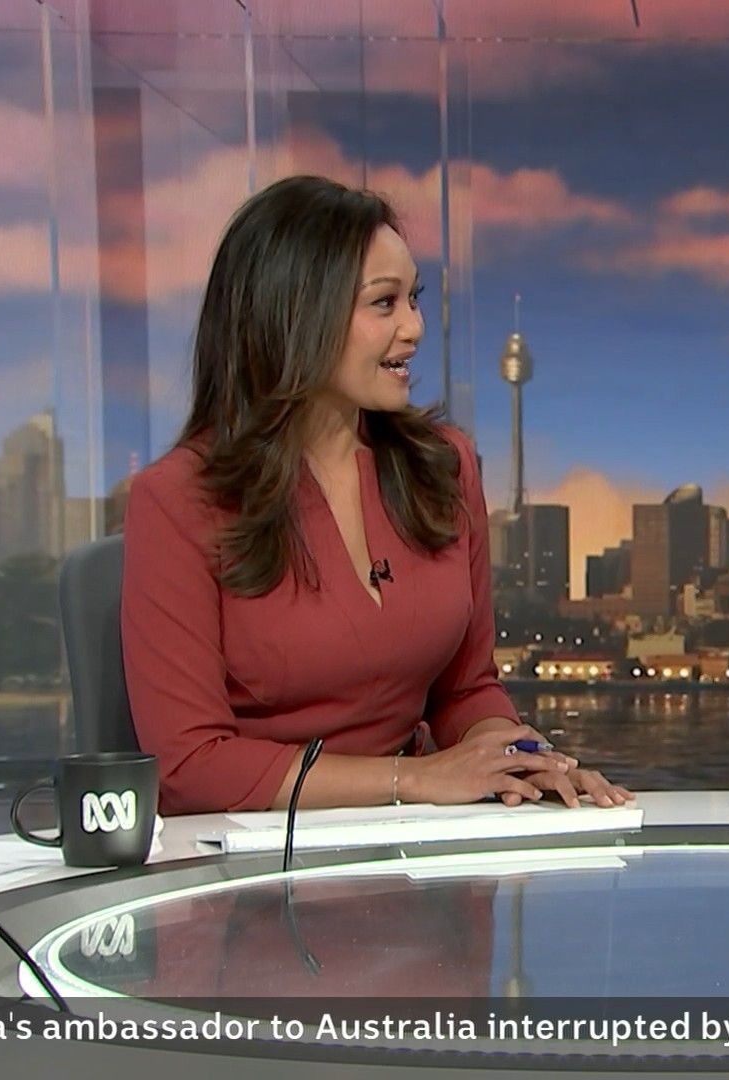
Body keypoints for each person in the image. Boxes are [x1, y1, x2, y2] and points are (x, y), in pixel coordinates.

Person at [121, 174, 632, 816]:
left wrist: (522, 758)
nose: (415, 327)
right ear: (295, 315)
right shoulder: (178, 501)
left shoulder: (444, 467)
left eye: (413, 299)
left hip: (414, 844)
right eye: (384, 303)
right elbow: (190, 765)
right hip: (254, 855)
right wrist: (412, 780)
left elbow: (465, 690)